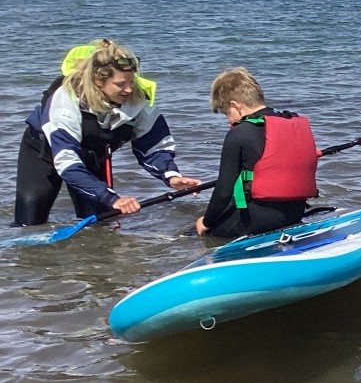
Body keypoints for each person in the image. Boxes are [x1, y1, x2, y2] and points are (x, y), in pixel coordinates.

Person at [14, 41, 197, 226]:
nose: (129, 89)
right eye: (120, 84)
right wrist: (111, 198)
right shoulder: (65, 100)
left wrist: (171, 176)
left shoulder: (139, 101)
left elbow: (153, 146)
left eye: (132, 82)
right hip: (44, 153)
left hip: (93, 156)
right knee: (29, 222)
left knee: (99, 226)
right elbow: (67, 162)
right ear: (98, 81)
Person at [195, 67, 319, 238]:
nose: (228, 120)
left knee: (197, 232)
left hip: (258, 221)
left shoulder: (239, 133)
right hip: (296, 211)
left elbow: (223, 191)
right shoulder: (292, 122)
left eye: (226, 114)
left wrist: (206, 222)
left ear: (235, 106)